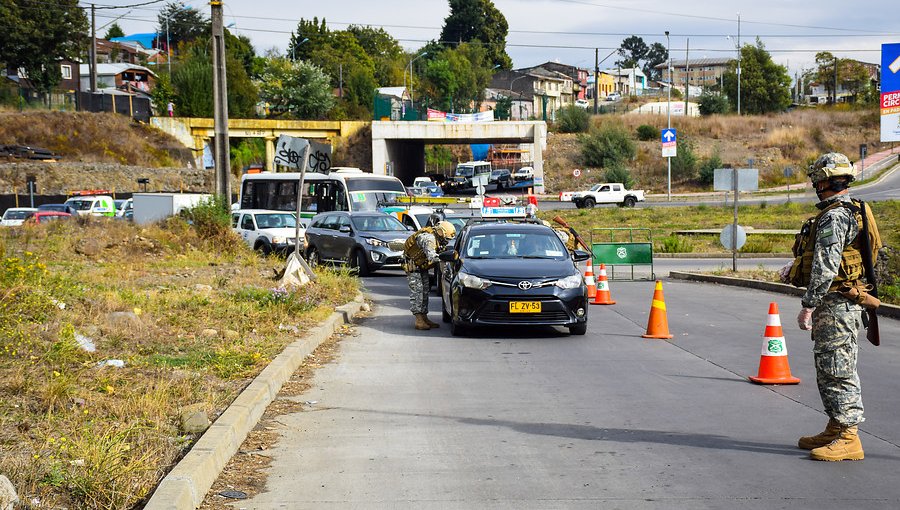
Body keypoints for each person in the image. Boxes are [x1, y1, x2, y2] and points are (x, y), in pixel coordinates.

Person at [783, 152, 882, 462]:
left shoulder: (835, 216)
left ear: (823, 182)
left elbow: (826, 265)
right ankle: (836, 427)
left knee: (838, 370)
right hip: (843, 302)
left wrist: (808, 306)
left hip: (838, 304)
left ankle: (849, 438)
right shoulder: (853, 210)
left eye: (817, 180)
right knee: (829, 367)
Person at [402, 220, 456, 330]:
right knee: (418, 292)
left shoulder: (436, 238)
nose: (446, 241)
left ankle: (424, 317)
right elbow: (432, 256)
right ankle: (418, 320)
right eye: (447, 238)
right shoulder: (428, 239)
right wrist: (446, 258)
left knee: (425, 291)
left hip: (421, 267)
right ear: (441, 232)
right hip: (413, 267)